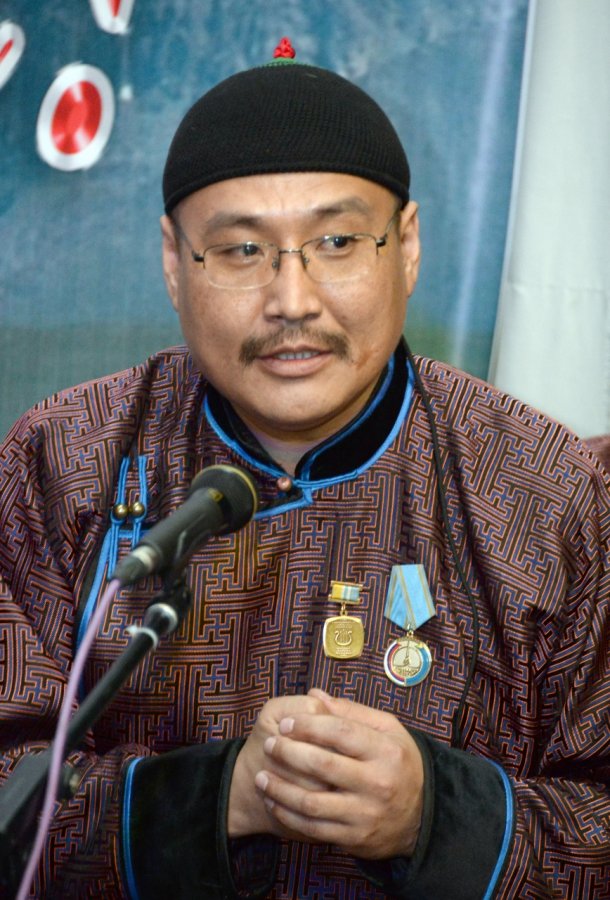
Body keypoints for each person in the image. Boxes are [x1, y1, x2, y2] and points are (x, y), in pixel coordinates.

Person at [1, 37, 609, 900]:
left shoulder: (544, 490)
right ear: (174, 262)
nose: (293, 300)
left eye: (336, 240)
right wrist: (219, 800)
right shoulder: (62, 464)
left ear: (406, 246)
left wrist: (436, 815)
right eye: (242, 251)